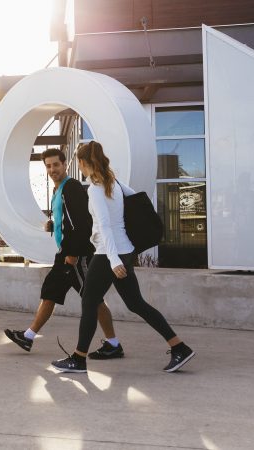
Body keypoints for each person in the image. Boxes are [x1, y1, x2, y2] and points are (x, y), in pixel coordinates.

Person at [51, 141, 195, 374]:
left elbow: (105, 226)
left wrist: (114, 260)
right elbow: (138, 198)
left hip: (110, 254)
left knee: (89, 302)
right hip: (125, 249)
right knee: (135, 303)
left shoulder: (96, 189)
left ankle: (78, 359)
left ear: (82, 162)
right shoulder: (113, 182)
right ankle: (179, 347)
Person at [4, 148, 125, 360]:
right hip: (66, 252)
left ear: (64, 165)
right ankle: (28, 336)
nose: (52, 169)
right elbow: (68, 221)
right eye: (48, 166)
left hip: (76, 255)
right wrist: (54, 225)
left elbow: (83, 224)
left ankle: (113, 343)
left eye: (56, 165)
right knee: (50, 292)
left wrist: (73, 254)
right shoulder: (58, 190)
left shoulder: (72, 187)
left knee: (94, 299)